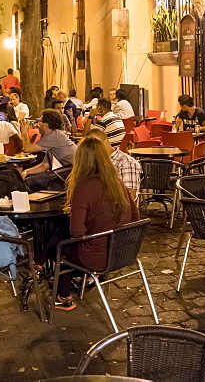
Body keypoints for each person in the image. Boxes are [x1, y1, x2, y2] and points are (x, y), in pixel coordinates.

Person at [51, 136, 139, 311]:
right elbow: (135, 217)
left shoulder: (84, 187)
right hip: (123, 252)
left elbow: (77, 231)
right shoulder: (117, 182)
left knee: (58, 248)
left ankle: (65, 297)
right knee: (62, 238)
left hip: (97, 258)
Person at [19, 109, 77, 191]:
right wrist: (26, 172)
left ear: (46, 125)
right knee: (29, 180)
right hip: (67, 172)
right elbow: (44, 166)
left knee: (30, 182)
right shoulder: (53, 136)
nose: (38, 124)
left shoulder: (54, 136)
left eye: (40, 121)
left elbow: (27, 148)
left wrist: (24, 133)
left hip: (71, 174)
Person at [87, 127, 140, 202]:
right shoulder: (92, 161)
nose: (91, 151)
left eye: (94, 147)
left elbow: (130, 196)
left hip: (117, 211)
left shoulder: (126, 162)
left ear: (105, 143)